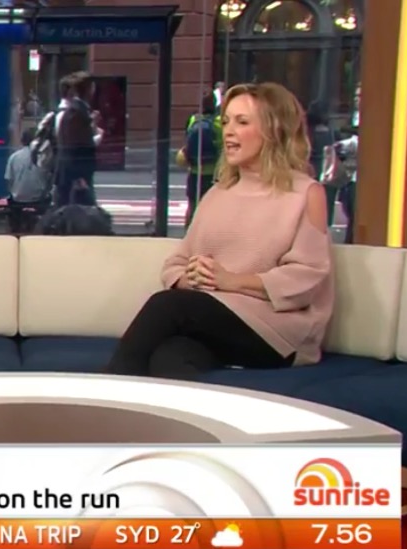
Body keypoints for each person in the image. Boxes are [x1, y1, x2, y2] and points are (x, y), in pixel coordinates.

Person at [104, 82, 334, 380]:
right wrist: (190, 278)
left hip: (277, 330)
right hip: (215, 318)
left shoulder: (306, 193)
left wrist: (231, 281)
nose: (228, 132)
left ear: (274, 130)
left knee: (167, 305)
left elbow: (307, 277)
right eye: (226, 122)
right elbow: (177, 262)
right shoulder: (218, 193)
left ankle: (106, 391)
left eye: (242, 122)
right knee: (171, 355)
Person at [53, 71, 99, 207]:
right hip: (75, 177)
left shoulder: (78, 111)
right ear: (89, 89)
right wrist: (80, 178)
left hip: (74, 175)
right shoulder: (76, 112)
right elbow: (76, 147)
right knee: (78, 212)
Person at [178, 94, 222, 224]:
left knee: (192, 205)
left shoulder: (193, 120)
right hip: (213, 173)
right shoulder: (219, 122)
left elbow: (187, 140)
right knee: (212, 208)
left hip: (194, 171)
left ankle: (189, 231)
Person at [4, 128, 51, 233]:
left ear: (22, 141)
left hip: (18, 200)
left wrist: (15, 192)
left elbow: (9, 180)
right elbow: (48, 180)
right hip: (38, 200)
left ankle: (15, 230)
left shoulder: (13, 157)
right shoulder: (43, 157)